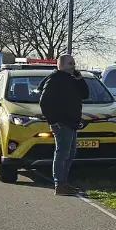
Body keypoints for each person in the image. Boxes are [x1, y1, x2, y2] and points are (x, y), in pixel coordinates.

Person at [37, 55, 89, 196]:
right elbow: (44, 102)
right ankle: (59, 184)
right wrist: (53, 122)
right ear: (61, 65)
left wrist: (80, 79)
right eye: (70, 63)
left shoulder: (72, 79)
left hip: (72, 122)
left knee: (70, 153)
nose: (73, 66)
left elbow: (85, 94)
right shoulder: (55, 79)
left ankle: (64, 182)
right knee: (62, 153)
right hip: (61, 123)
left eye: (74, 63)